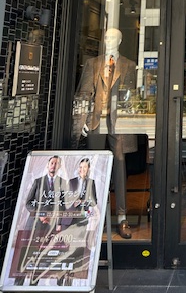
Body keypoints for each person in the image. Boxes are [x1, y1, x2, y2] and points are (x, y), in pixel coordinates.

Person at [73, 27, 137, 239]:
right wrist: (82, 120)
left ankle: (122, 217)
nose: (109, 40)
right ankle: (90, 214)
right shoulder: (93, 63)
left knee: (119, 168)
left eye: (113, 37)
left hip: (118, 123)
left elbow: (132, 95)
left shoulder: (129, 65)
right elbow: (83, 93)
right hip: (95, 121)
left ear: (120, 41)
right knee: (92, 168)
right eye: (107, 37)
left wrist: (131, 119)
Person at [25, 155, 66, 235]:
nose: (53, 165)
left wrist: (58, 222)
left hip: (52, 224)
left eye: (56, 163)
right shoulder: (38, 181)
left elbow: (63, 205)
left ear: (59, 166)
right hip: (35, 223)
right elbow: (28, 203)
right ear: (48, 165)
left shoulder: (63, 183)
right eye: (52, 163)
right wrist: (40, 214)